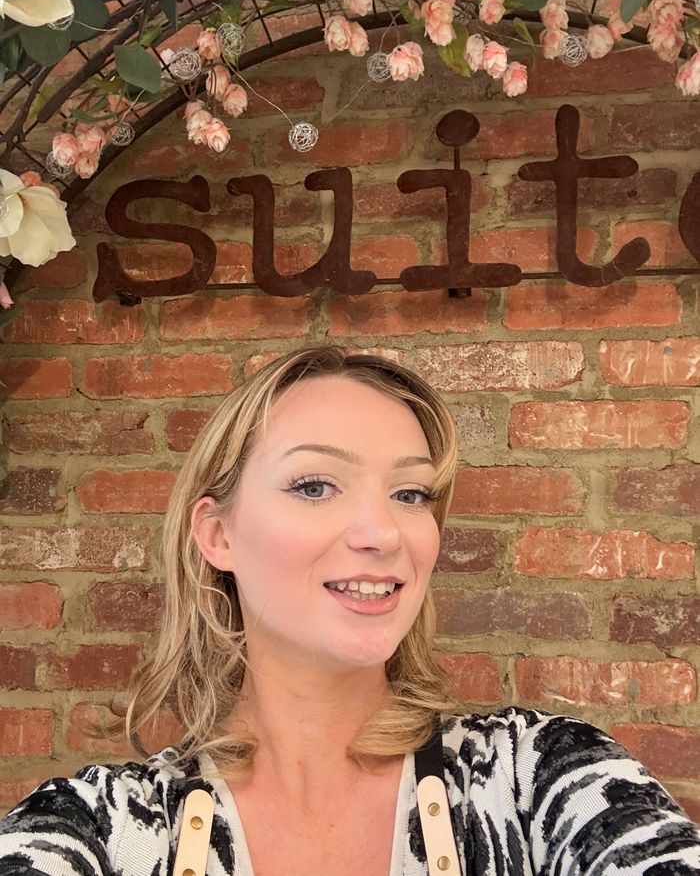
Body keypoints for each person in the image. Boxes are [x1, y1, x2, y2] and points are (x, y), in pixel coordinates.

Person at [1, 345, 699, 876]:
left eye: (410, 494)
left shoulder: (537, 777)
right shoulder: (106, 827)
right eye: (314, 485)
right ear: (217, 534)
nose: (384, 533)